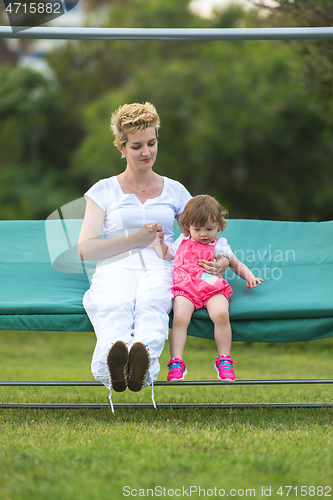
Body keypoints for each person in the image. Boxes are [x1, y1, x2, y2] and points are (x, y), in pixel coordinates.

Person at [78, 103, 229, 409]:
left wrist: (223, 261)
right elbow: (86, 248)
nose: (146, 152)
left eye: (152, 143)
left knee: (152, 307)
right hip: (115, 267)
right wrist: (135, 239)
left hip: (162, 266)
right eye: (137, 146)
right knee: (115, 305)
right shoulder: (103, 190)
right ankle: (113, 365)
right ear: (122, 148)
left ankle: (141, 363)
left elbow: (205, 232)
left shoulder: (174, 191)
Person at [148, 194, 263, 383]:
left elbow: (235, 264)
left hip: (211, 287)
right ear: (187, 227)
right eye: (197, 229)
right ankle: (177, 361)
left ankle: (224, 360)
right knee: (180, 318)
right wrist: (156, 242)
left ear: (219, 225)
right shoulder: (182, 242)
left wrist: (248, 276)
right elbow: (166, 255)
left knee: (221, 315)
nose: (203, 234)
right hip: (186, 288)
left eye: (209, 229)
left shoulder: (220, 245)